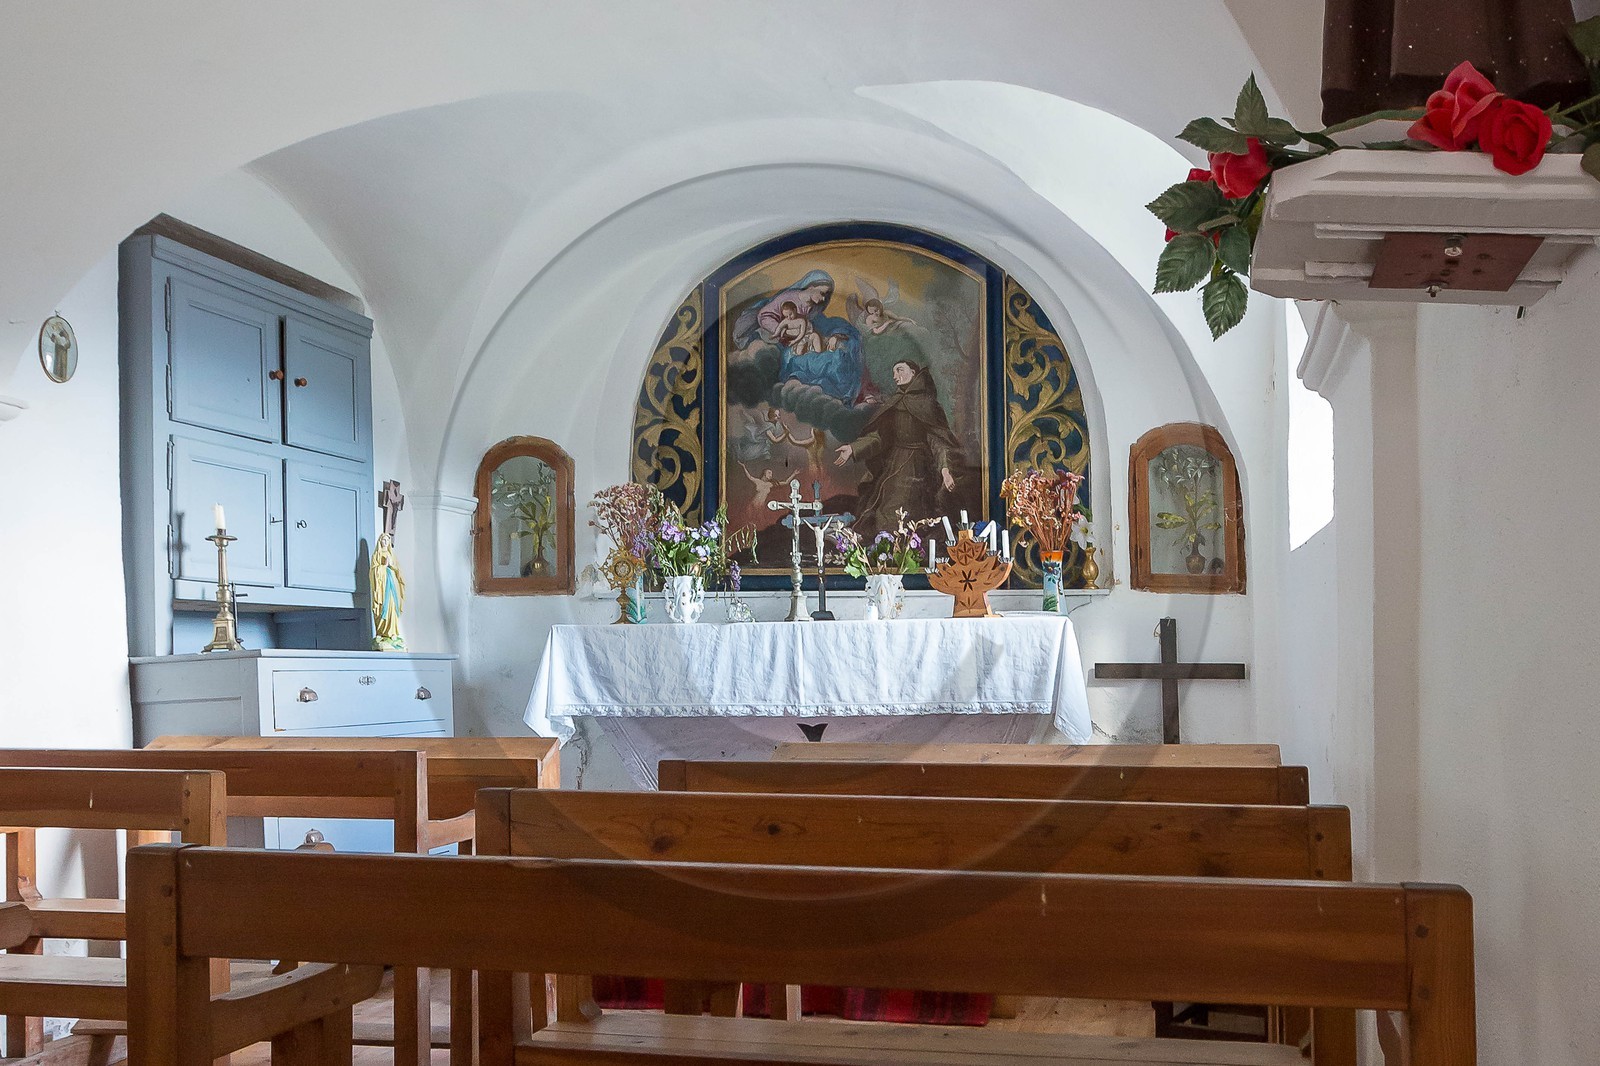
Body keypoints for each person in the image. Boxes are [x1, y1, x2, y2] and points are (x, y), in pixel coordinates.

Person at [833, 360, 960, 533]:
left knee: (898, 509)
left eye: (899, 370)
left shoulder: (927, 405)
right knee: (880, 505)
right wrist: (853, 449)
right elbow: (880, 437)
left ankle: (900, 552)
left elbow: (938, 441)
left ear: (914, 373)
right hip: (894, 461)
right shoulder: (895, 402)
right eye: (893, 372)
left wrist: (945, 470)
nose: (895, 376)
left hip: (918, 466)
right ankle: (885, 552)